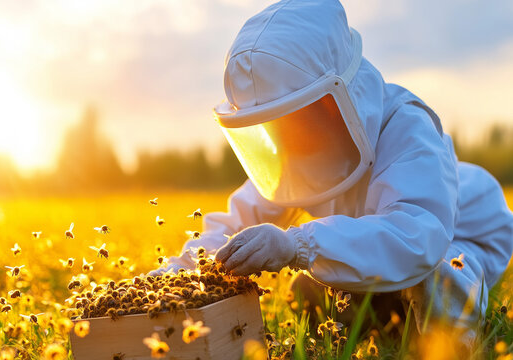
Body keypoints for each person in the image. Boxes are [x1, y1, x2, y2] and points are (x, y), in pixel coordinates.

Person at [150, 0, 513, 340]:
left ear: (335, 97)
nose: (282, 138)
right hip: (398, 241)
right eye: (270, 125)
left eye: (290, 118)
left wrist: (296, 243)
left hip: (460, 233)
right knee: (309, 290)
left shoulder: (407, 125)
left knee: (435, 280)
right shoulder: (298, 147)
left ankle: (441, 329)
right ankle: (384, 314)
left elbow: (417, 236)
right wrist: (175, 274)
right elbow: (238, 222)